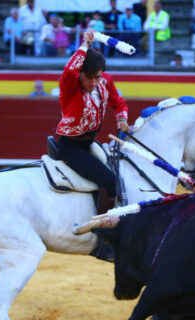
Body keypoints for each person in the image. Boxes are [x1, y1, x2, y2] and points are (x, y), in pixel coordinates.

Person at [55, 29, 129, 221]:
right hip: (71, 147)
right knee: (109, 181)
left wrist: (122, 119)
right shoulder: (70, 86)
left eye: (97, 77)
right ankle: (102, 230)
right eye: (89, 77)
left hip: (90, 143)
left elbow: (118, 102)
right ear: (80, 74)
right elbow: (69, 70)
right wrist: (84, 45)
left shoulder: (105, 81)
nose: (94, 82)